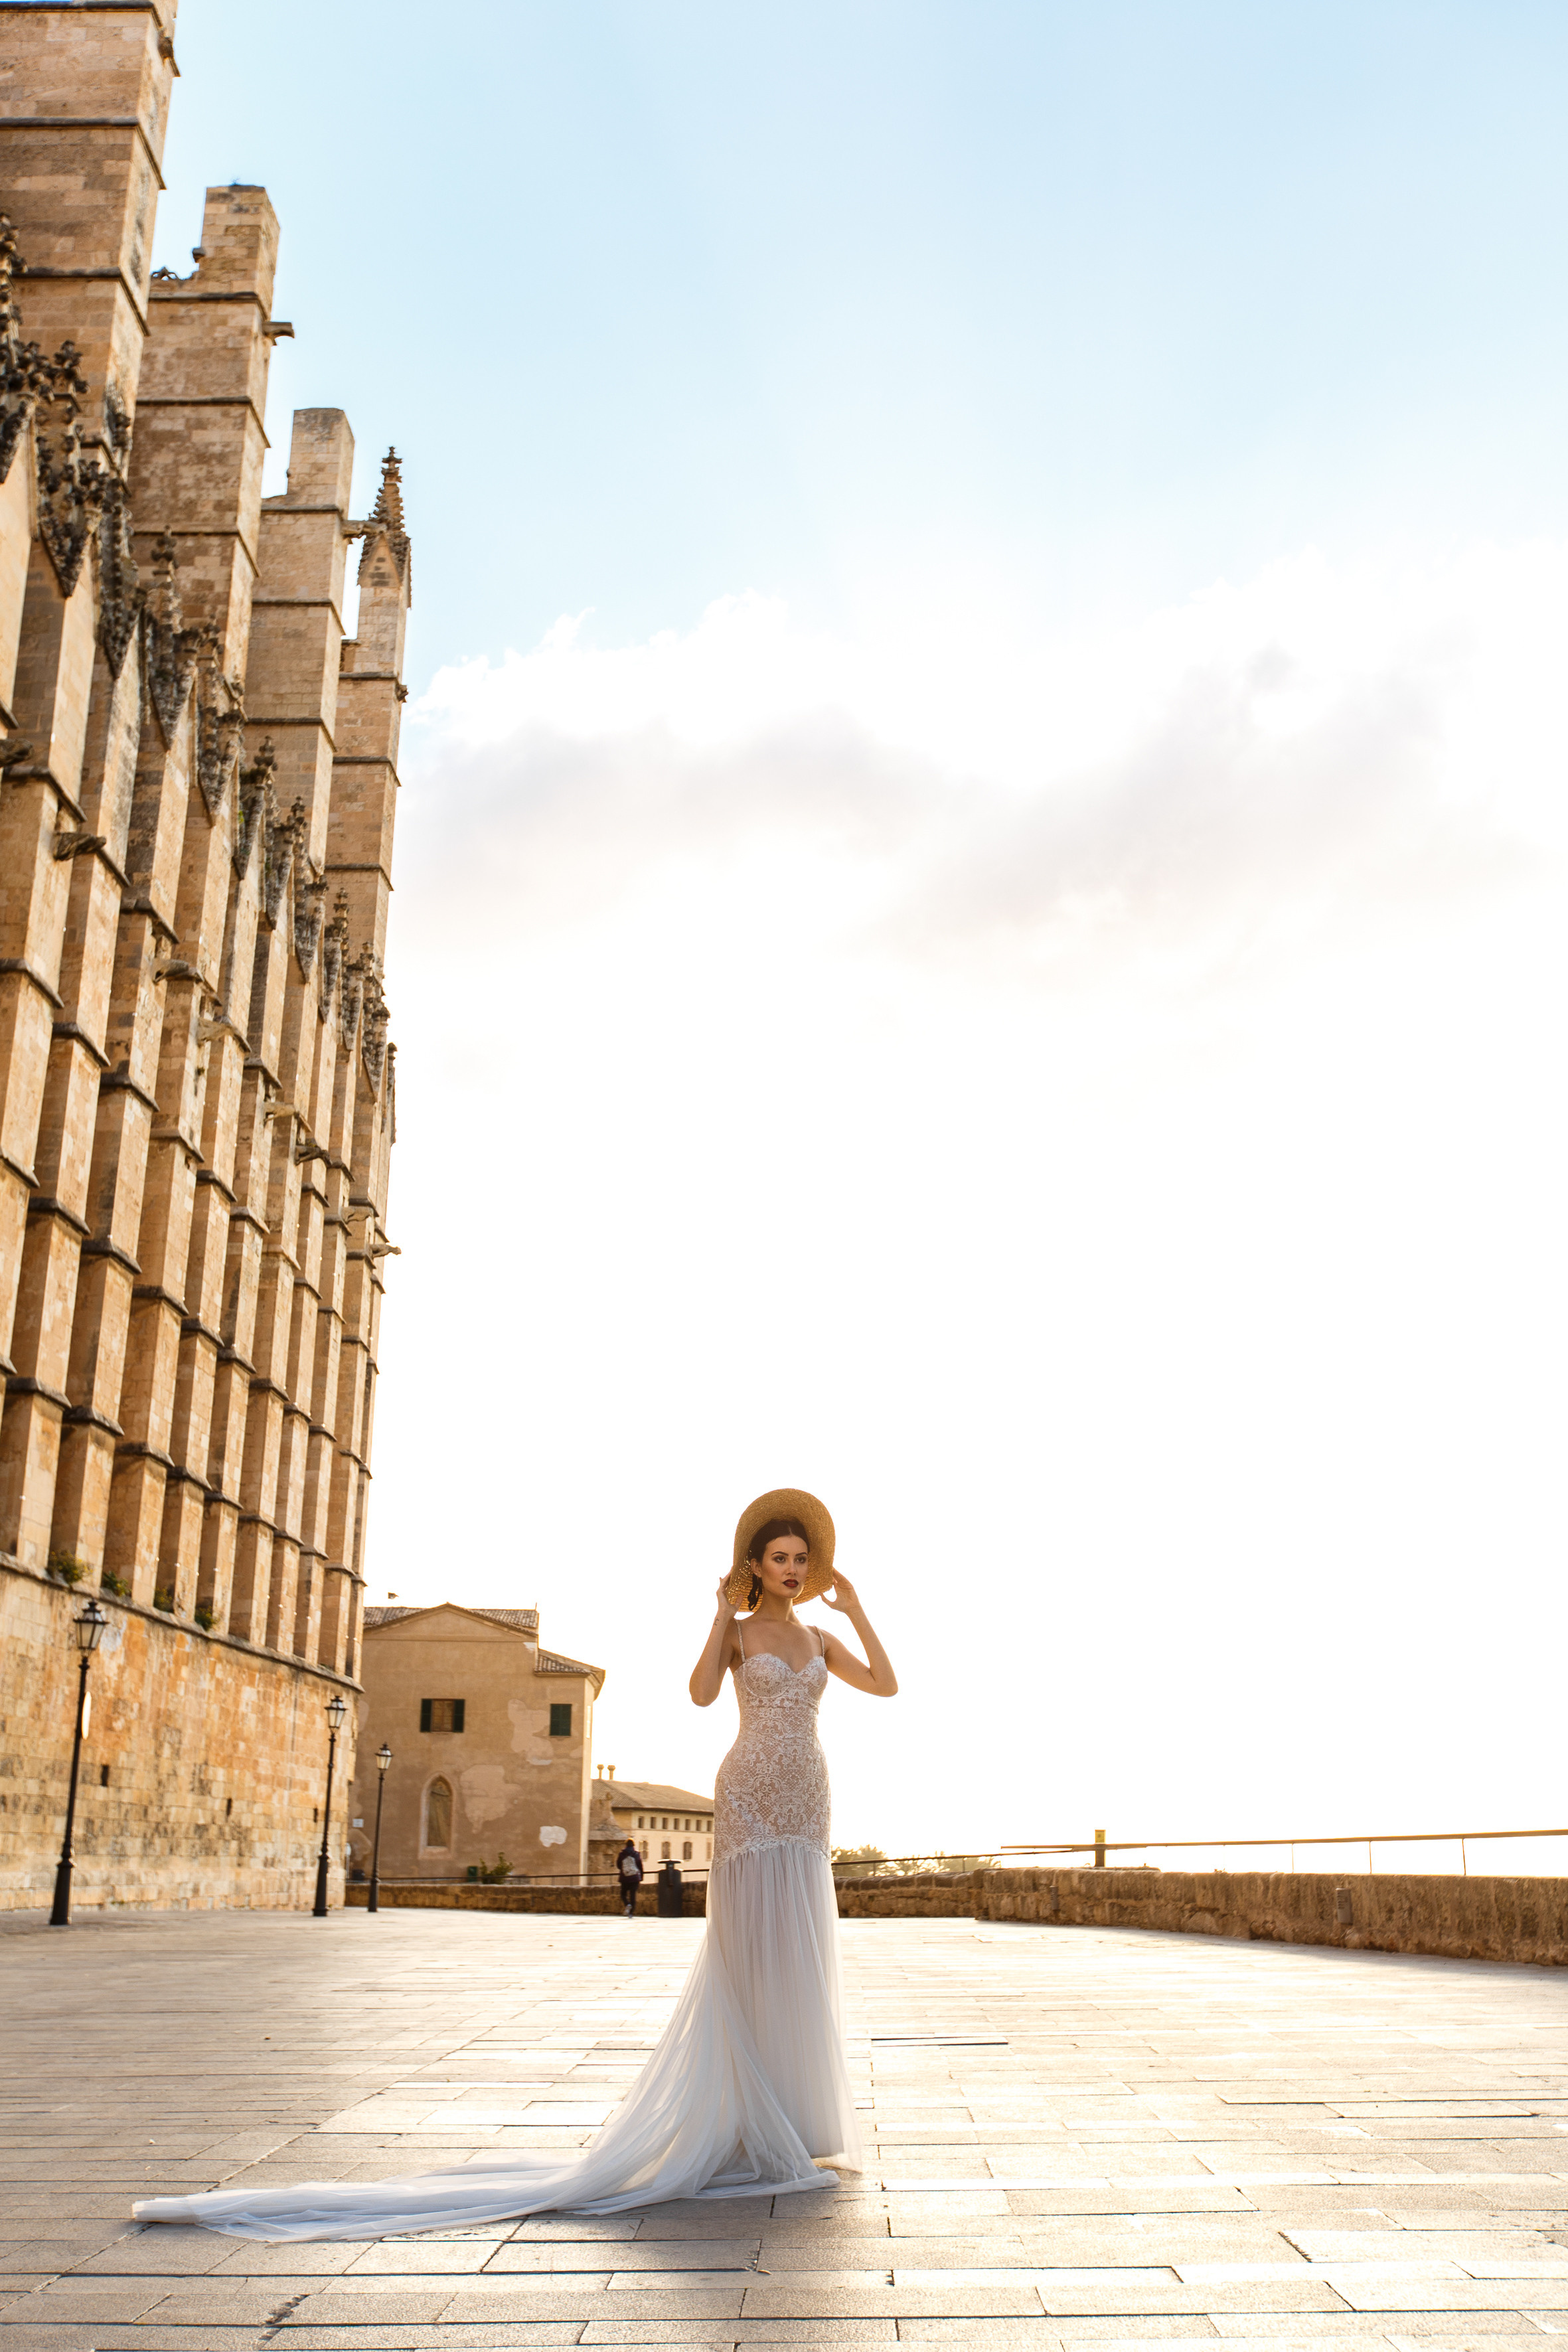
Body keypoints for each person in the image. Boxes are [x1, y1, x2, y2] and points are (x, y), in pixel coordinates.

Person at [133, 1486, 897, 2241]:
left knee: (801, 1950)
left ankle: (794, 2122)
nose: (792, 1569)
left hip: (806, 1801)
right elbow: (700, 1697)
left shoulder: (820, 1643)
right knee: (748, 1956)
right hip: (749, 1796)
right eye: (779, 1558)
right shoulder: (735, 1634)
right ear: (754, 1565)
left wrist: (855, 1608)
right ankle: (740, 2122)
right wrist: (715, 1616)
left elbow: (886, 1683)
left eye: (802, 1560)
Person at [616, 1836, 645, 1917]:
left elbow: (618, 1865)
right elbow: (640, 1866)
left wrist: (624, 1870)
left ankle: (627, 1904)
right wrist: (641, 1877)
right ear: (633, 1845)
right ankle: (631, 1913)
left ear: (626, 1845)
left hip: (625, 1878)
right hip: (635, 1878)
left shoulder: (622, 1854)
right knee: (633, 1895)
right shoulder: (637, 1854)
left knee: (623, 1894)